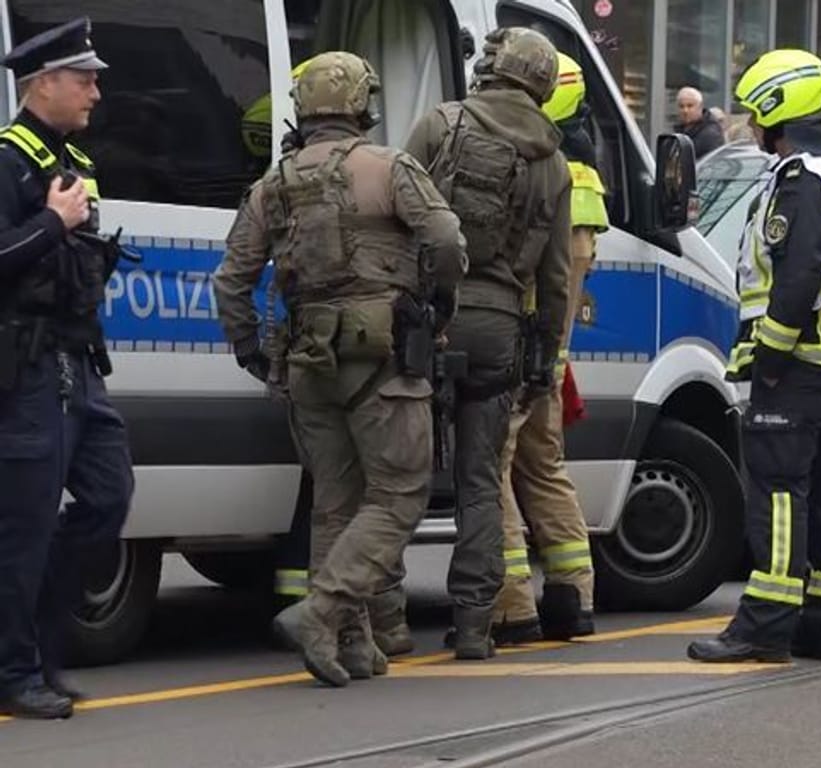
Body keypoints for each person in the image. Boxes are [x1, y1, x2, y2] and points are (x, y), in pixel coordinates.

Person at [213, 51, 466, 687]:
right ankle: (323, 615)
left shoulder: (275, 184)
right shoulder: (390, 167)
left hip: (307, 362)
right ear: (361, 104)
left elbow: (231, 281)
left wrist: (250, 350)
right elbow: (445, 240)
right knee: (400, 494)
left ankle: (350, 646)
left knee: (335, 503)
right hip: (383, 358)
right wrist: (438, 303)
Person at [687, 50, 821, 664]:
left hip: (797, 369)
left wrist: (770, 357)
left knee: (778, 496)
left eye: (755, 114)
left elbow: (798, 275)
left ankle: (764, 626)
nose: (751, 127)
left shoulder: (802, 180)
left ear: (779, 110)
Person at [405, 27, 571, 660]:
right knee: (479, 480)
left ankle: (387, 625)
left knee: (402, 475)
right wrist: (546, 359)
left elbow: (399, 223)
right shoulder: (552, 161)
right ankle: (475, 626)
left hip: (431, 320)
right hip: (502, 327)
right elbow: (554, 281)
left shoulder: (439, 126)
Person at [0, 17, 133, 720]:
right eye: (84, 80)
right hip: (26, 372)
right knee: (21, 527)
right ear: (43, 83)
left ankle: (36, 654)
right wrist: (50, 224)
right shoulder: (7, 163)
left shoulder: (70, 163)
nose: (96, 93)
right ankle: (16, 671)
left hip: (78, 367)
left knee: (109, 497)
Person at [490, 49, 607, 646]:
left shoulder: (543, 168)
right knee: (544, 467)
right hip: (549, 359)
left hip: (521, 348)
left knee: (495, 466)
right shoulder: (580, 173)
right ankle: (573, 595)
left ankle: (512, 606)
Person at [674, 86, 725, 158]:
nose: (685, 111)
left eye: (690, 106)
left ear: (700, 107)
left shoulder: (710, 135)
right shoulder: (680, 130)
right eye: (681, 106)